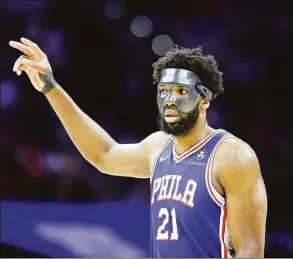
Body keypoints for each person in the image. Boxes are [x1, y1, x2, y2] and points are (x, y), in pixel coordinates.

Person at [9, 38, 267, 258]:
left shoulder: (232, 156)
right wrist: (51, 89)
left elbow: (251, 251)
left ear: (204, 98)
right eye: (164, 91)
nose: (169, 100)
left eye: (180, 91)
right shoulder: (157, 147)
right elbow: (103, 154)